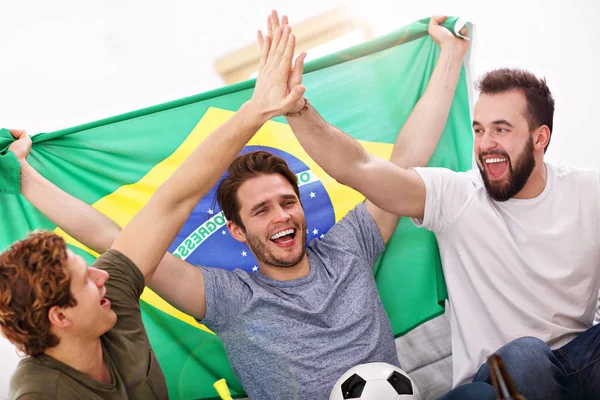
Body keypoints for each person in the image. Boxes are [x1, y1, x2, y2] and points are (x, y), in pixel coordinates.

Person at [4, 11, 469, 400]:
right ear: (237, 231)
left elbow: (404, 166)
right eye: (261, 210)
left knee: (511, 368)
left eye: (288, 201)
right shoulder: (229, 298)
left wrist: (450, 54)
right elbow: (115, 239)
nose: (281, 215)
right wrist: (24, 180)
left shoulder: (350, 246)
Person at [282, 30, 600, 399]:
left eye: (502, 129)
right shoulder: (457, 197)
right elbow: (360, 167)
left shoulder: (588, 192)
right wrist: (297, 110)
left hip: (576, 366)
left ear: (539, 137)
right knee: (527, 355)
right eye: (479, 130)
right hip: (502, 378)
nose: (486, 144)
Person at [1, 19, 304, 400]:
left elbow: (172, 200)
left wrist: (256, 110)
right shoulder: (40, 393)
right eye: (86, 280)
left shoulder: (112, 303)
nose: (101, 275)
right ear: (60, 317)